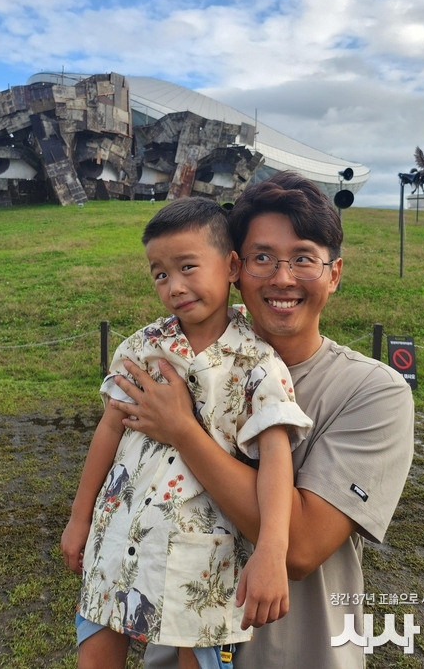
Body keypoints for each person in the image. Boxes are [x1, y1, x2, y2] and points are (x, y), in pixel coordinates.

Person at [111, 172, 415, 669]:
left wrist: (184, 432)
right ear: (234, 268)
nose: (281, 277)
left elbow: (299, 550)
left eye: (303, 258)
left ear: (334, 274)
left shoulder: (372, 393)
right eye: (262, 257)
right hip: (178, 649)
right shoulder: (180, 362)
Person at [61, 197, 313, 669]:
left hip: (203, 563)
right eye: (160, 274)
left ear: (231, 265)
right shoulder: (143, 348)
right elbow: (109, 429)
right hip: (117, 536)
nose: (174, 286)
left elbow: (278, 459)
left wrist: (272, 551)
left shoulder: (257, 364)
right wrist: (79, 517)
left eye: (188, 267)